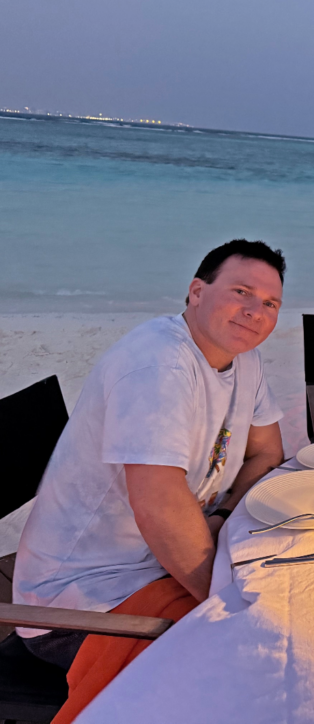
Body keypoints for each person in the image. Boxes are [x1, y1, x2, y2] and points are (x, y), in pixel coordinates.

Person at [13, 239, 286, 671]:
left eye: (271, 303)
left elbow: (268, 453)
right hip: (81, 605)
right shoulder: (158, 365)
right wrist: (232, 605)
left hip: (168, 563)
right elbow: (159, 506)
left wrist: (220, 516)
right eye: (241, 292)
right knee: (255, 663)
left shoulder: (243, 358)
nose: (256, 311)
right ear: (197, 292)